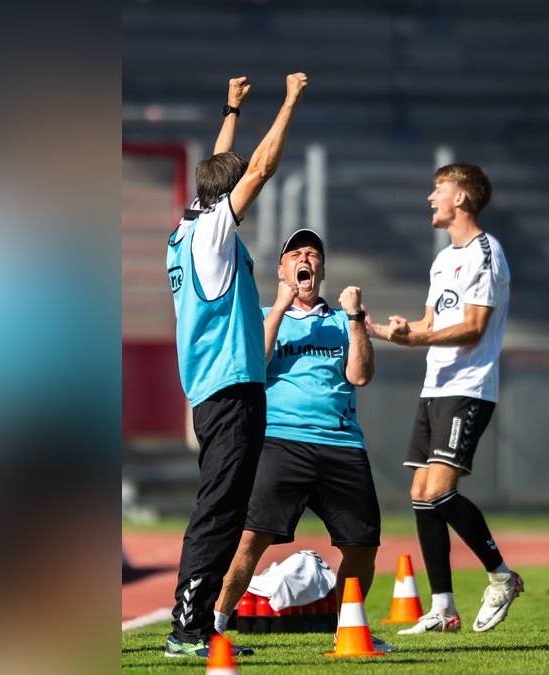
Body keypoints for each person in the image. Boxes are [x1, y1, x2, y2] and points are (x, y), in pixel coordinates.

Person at [163, 72, 309, 658]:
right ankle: (188, 629)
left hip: (212, 389)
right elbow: (258, 169)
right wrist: (290, 100)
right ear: (225, 200)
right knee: (220, 511)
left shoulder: (187, 229)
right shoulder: (215, 232)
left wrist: (231, 108)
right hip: (230, 389)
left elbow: (221, 168)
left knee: (222, 507)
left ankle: (196, 624)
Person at [210, 228, 395, 651]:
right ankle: (215, 627)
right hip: (281, 442)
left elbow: (361, 376)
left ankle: (346, 629)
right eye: (295, 254)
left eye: (312, 253)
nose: (304, 259)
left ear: (322, 269)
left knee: (362, 545)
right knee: (250, 539)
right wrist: (280, 304)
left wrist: (354, 319)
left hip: (342, 444)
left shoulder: (342, 321)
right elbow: (256, 361)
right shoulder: (261, 314)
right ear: (282, 269)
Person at [367, 163, 523, 634]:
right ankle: (443, 607)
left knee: (438, 491)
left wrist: (416, 340)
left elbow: (474, 328)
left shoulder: (486, 251)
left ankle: (501, 576)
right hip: (435, 387)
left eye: (438, 190)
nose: (430, 198)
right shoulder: (442, 259)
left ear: (462, 198)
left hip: (469, 387)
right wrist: (377, 331)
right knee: (420, 494)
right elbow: (427, 326)